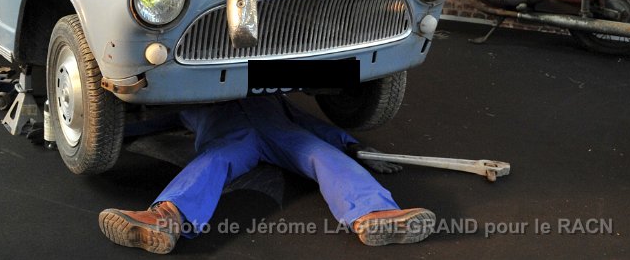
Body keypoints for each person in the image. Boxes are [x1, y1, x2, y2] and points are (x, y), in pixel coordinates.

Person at [98, 95, 434, 253]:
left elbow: (308, 121)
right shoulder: (192, 94)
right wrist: (99, 132)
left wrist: (354, 146)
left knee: (321, 154)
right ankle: (165, 218)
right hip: (233, 140)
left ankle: (374, 214)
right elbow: (151, 119)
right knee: (214, 161)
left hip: (281, 135)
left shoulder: (268, 90)